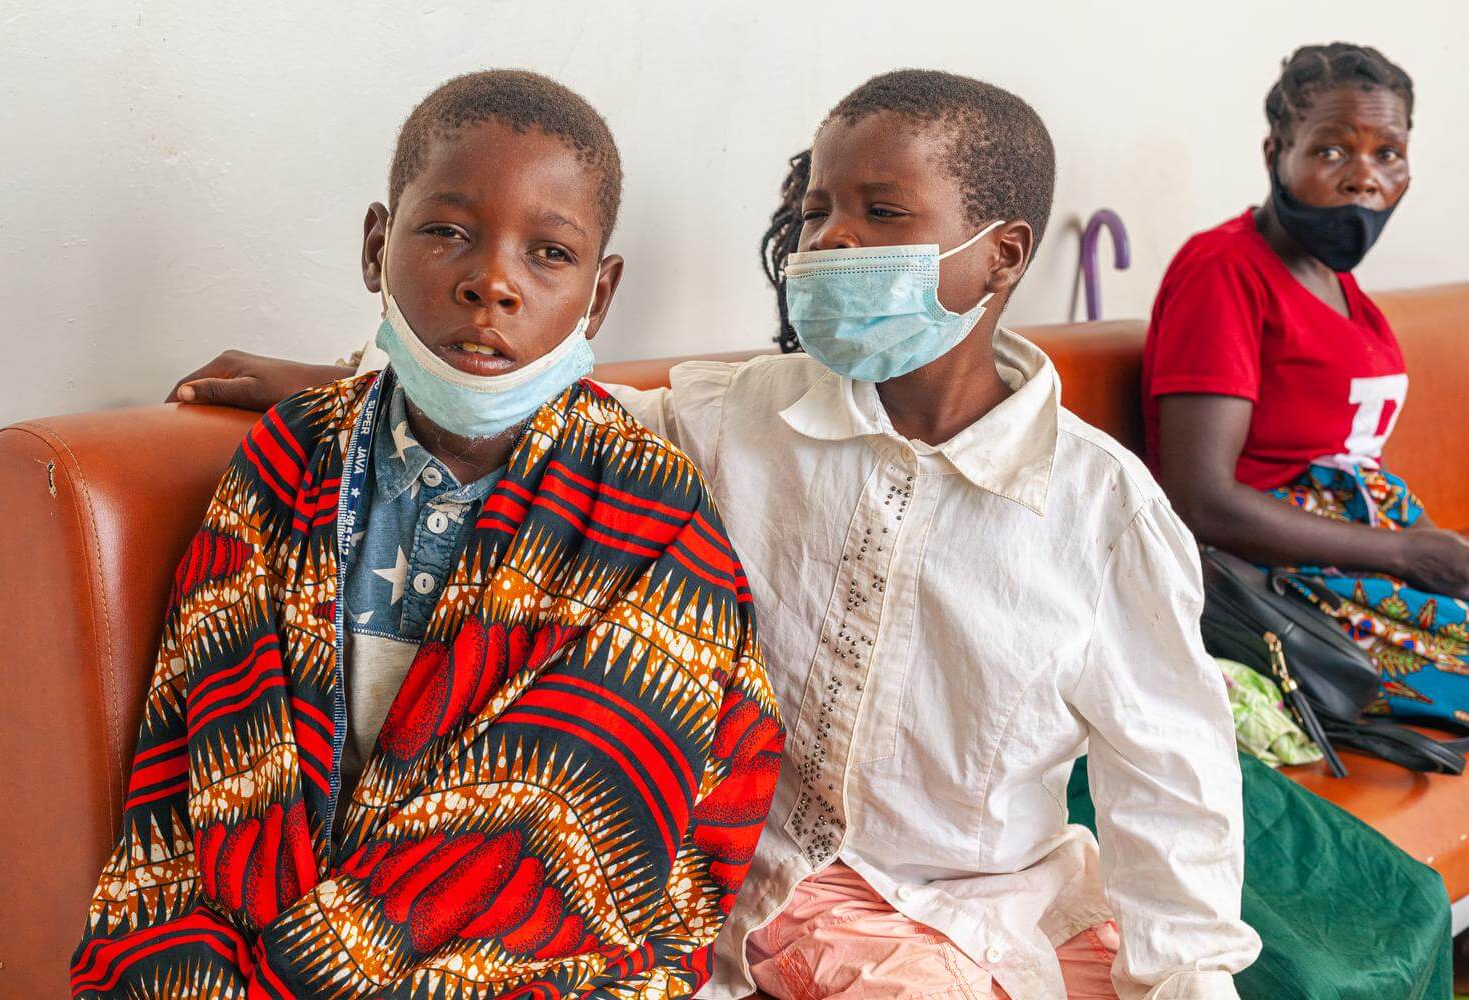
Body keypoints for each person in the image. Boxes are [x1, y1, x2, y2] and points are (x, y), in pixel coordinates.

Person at [170, 69, 1260, 999]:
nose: (833, 239)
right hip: (750, 891)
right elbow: (536, 400)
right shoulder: (744, 412)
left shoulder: (1102, 511)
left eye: (883, 215)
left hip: (975, 911)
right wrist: (345, 378)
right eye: (819, 209)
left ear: (1001, 254)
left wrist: (1189, 978)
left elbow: (1173, 785)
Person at [71, 70, 782, 998]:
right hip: (245, 955)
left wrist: (321, 973)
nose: (491, 281)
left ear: (599, 296)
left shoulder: (651, 514)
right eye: (447, 231)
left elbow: (594, 821)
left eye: (549, 254)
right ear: (377, 247)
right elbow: (203, 747)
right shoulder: (289, 458)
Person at [1144, 43, 1469, 726]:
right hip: (1273, 579)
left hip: (1362, 557)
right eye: (1331, 152)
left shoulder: (1337, 281)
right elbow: (1201, 500)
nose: (1364, 178)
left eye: (1388, 153)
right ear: (1276, 153)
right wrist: (1408, 555)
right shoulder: (1226, 271)